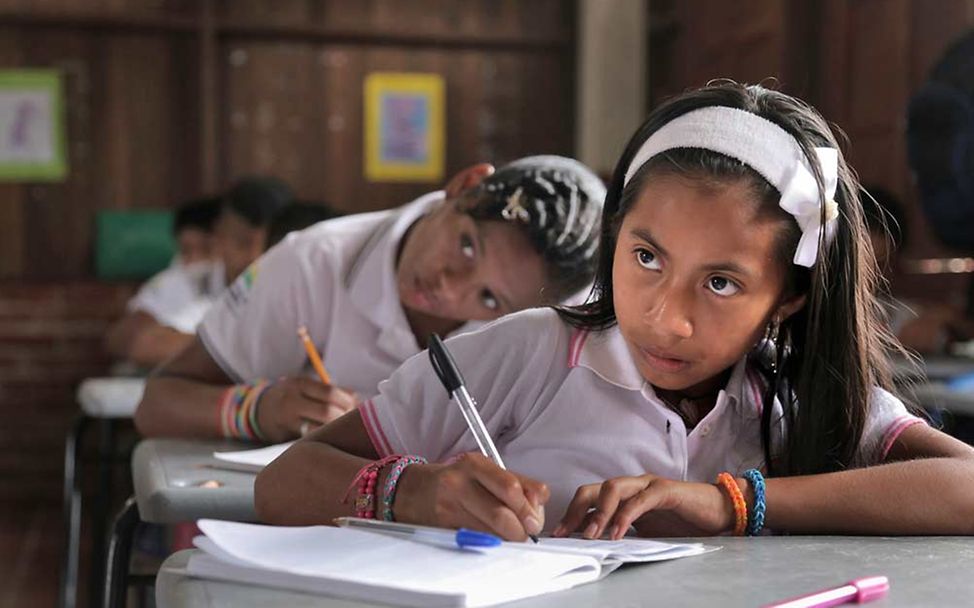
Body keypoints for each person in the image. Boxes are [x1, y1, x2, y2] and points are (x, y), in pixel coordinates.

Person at [254, 82, 974, 541]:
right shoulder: (528, 354)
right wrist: (412, 491)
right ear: (614, 238)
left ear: (787, 297)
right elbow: (283, 480)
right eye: (647, 258)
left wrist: (732, 503)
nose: (668, 317)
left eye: (720, 283)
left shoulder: (792, 388)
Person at [135, 156, 605, 442]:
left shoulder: (550, 319)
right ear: (463, 187)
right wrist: (257, 410)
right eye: (466, 246)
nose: (449, 287)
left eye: (488, 299)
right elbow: (158, 402)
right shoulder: (313, 262)